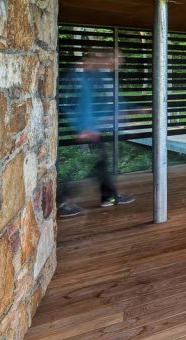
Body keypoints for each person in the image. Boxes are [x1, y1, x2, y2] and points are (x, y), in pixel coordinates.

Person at [57, 47, 134, 217]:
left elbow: (102, 101)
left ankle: (109, 197)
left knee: (100, 162)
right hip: (77, 131)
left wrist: (129, 110)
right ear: (101, 58)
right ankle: (59, 201)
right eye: (115, 60)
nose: (116, 64)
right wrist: (81, 127)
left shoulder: (94, 76)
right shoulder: (74, 76)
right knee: (77, 166)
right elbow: (64, 104)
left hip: (90, 129)